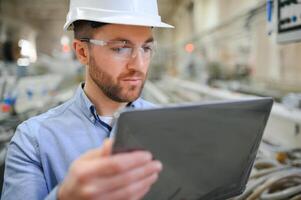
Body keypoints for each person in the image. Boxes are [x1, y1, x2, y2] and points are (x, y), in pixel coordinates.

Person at [1, 0, 173, 199]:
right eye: (120, 48)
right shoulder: (33, 141)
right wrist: (65, 196)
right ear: (82, 52)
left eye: (146, 48)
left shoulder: (168, 127)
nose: (139, 65)